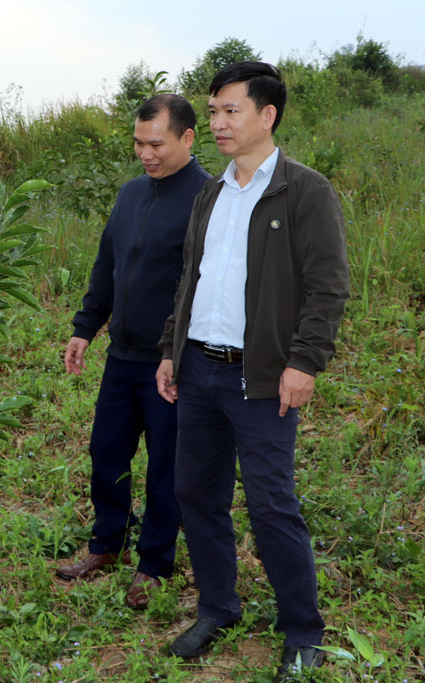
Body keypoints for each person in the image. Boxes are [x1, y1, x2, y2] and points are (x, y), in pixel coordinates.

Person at [155, 62, 349, 681]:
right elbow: (192, 279)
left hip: (262, 380)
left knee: (271, 506)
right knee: (196, 494)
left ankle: (301, 630)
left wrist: (304, 362)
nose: (216, 123)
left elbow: (327, 287)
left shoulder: (304, 190)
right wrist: (170, 349)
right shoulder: (210, 194)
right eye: (212, 111)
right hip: (200, 370)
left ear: (267, 116)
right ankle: (218, 606)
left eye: (230, 111)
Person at [56, 94, 210, 610]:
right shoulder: (129, 195)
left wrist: (176, 350)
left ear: (188, 138)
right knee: (107, 453)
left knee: (166, 467)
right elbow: (108, 266)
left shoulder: (208, 199)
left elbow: (205, 285)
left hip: (172, 363)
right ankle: (107, 545)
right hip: (122, 357)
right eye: (138, 143)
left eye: (156, 144)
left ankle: (154, 564)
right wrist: (85, 327)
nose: (145, 154)